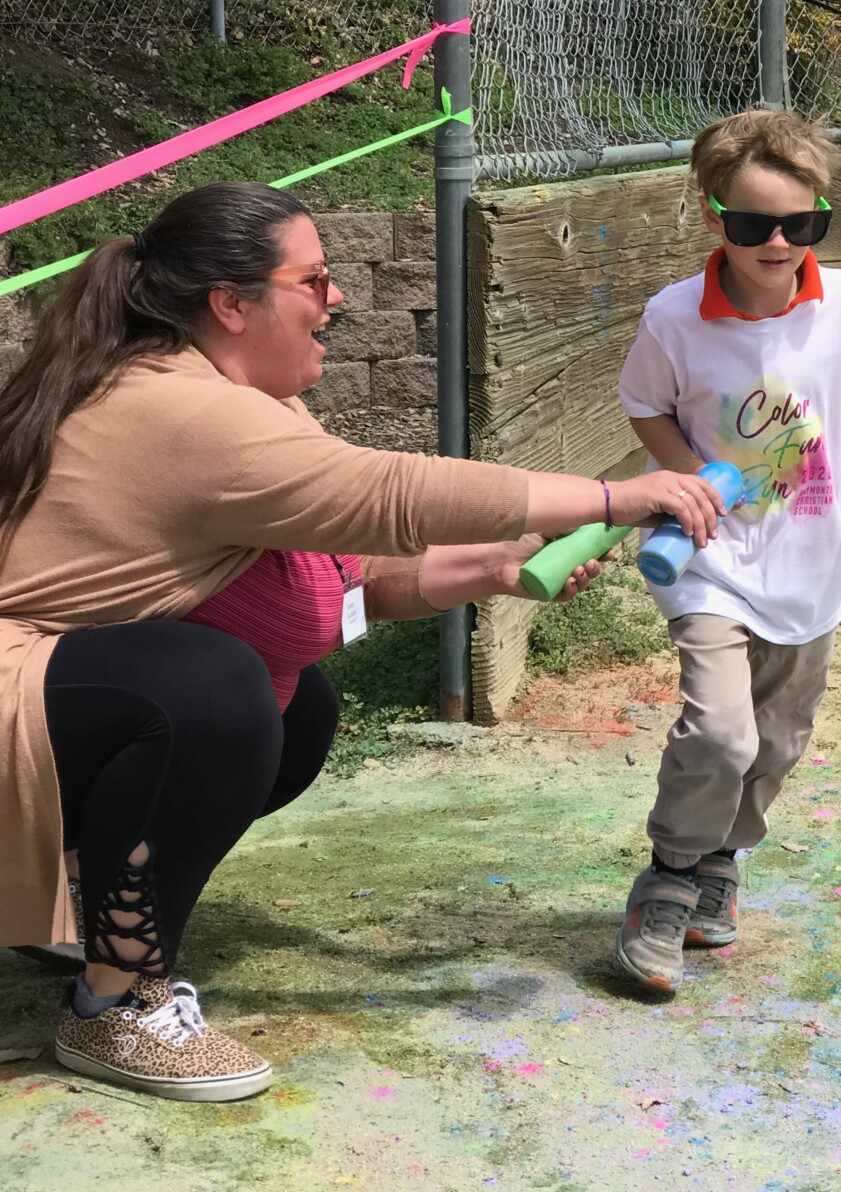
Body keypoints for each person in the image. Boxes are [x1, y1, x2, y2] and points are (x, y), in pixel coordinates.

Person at [0, 182, 727, 1101]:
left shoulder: (240, 396)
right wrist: (617, 496)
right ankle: (117, 1006)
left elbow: (347, 584)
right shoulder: (182, 409)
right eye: (314, 279)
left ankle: (76, 900)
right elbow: (393, 493)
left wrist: (495, 566)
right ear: (231, 304)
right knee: (211, 695)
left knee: (294, 710)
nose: (336, 296)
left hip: (50, 696)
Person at [613, 110, 841, 994]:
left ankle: (723, 862)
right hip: (708, 558)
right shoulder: (675, 317)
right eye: (752, 225)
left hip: (810, 565)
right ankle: (669, 876)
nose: (777, 244)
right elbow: (645, 405)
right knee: (721, 731)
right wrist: (686, 481)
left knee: (778, 740)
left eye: (800, 224)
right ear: (714, 217)